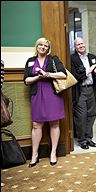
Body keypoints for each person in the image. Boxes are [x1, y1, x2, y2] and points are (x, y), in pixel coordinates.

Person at [24, 37, 67, 167]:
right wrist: (38, 76)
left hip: (52, 94)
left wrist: (47, 74)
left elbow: (63, 74)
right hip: (37, 94)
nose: (43, 47)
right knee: (37, 125)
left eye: (46, 46)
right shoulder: (30, 61)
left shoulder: (53, 59)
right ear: (37, 46)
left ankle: (53, 153)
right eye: (41, 45)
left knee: (54, 123)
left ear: (48, 49)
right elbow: (26, 80)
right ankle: (34, 155)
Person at [71, 37, 96, 150]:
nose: (81, 46)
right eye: (78, 44)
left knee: (92, 114)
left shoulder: (92, 57)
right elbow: (75, 77)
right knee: (81, 116)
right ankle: (82, 140)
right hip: (80, 90)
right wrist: (89, 70)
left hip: (91, 90)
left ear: (85, 44)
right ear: (75, 47)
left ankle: (89, 138)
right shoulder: (72, 59)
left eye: (82, 43)